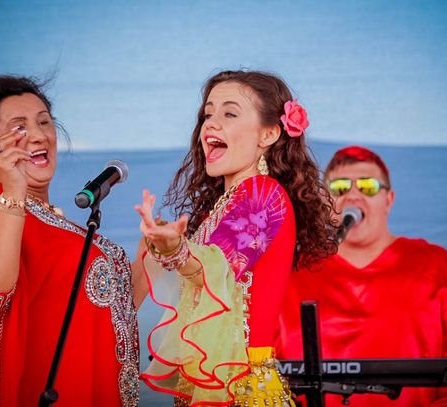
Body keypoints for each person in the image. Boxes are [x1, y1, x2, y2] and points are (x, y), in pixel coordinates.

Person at [134, 70, 337, 406]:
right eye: (207, 114)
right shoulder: (231, 203)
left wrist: (174, 250)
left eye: (229, 113)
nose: (210, 124)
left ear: (269, 134)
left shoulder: (263, 193)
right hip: (227, 384)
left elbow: (215, 270)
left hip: (242, 388)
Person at [0, 75, 141, 406]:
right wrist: (13, 189)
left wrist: (153, 254)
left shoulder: (53, 221)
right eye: (19, 127)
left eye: (44, 122)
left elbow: (104, 309)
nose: (38, 134)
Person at [277, 145, 447, 406]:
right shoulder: (290, 271)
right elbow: (260, 367)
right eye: (340, 187)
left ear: (388, 200)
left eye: (367, 186)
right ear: (325, 201)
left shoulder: (440, 267)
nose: (353, 195)